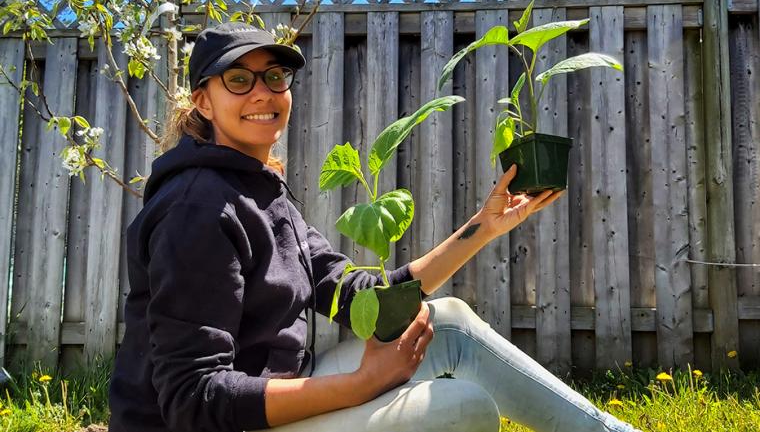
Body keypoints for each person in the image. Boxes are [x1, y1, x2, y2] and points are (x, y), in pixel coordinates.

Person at [108, 22, 641, 432]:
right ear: (202, 99)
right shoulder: (197, 208)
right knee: (460, 410)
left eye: (274, 76)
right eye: (239, 79)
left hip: (275, 388)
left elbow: (354, 294)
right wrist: (362, 384)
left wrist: (484, 226)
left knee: (447, 322)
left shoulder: (257, 188)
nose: (263, 93)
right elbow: (193, 397)